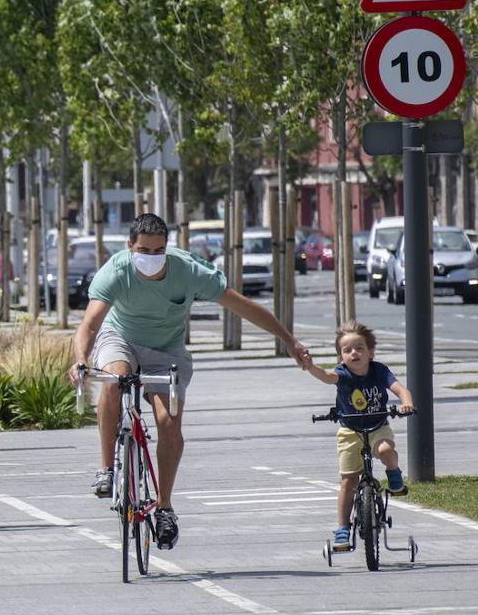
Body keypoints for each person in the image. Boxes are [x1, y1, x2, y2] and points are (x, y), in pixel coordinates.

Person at [67, 213, 309, 550]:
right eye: (143, 250)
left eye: (158, 251)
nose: (150, 258)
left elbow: (243, 306)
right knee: (114, 380)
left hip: (167, 349)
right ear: (129, 246)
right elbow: (90, 324)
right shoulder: (117, 269)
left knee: (168, 423)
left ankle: (164, 506)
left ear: (167, 248)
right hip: (120, 338)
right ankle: (106, 468)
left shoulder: (187, 270)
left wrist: (289, 340)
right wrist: (80, 359)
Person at [302, 321, 415, 551]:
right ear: (341, 357)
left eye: (360, 348)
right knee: (348, 481)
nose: (354, 353)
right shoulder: (342, 373)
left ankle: (394, 476)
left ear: (370, 352)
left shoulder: (379, 371)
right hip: (349, 431)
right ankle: (343, 528)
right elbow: (325, 376)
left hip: (378, 426)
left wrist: (406, 403)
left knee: (385, 451)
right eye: (347, 350)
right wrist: (310, 367)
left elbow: (400, 389)